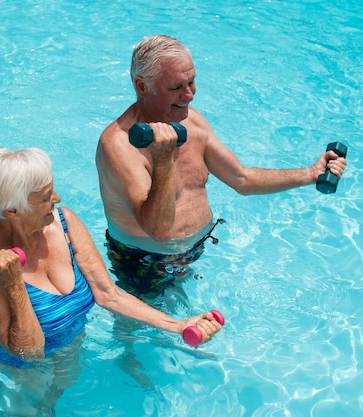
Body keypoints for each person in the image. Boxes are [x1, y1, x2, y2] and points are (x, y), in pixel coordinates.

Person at [95, 34, 347, 293]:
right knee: (135, 332)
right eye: (176, 87)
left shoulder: (193, 122)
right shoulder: (118, 145)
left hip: (196, 247)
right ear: (142, 86)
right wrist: (162, 159)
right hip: (143, 260)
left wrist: (310, 174)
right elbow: (159, 231)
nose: (190, 95)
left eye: (192, 82)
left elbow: (242, 179)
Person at [0, 147, 222, 370]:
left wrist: (177, 325)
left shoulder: (63, 222)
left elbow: (109, 294)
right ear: (12, 210)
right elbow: (29, 353)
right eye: (45, 197)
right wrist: (14, 285)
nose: (57, 199)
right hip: (19, 373)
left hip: (70, 348)